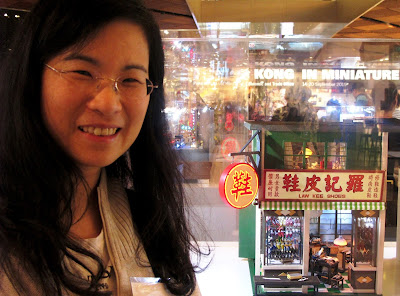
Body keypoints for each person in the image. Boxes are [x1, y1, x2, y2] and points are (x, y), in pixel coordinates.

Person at [0, 0, 209, 295]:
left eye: (130, 80)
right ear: (33, 77)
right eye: (82, 72)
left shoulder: (147, 219)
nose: (109, 104)